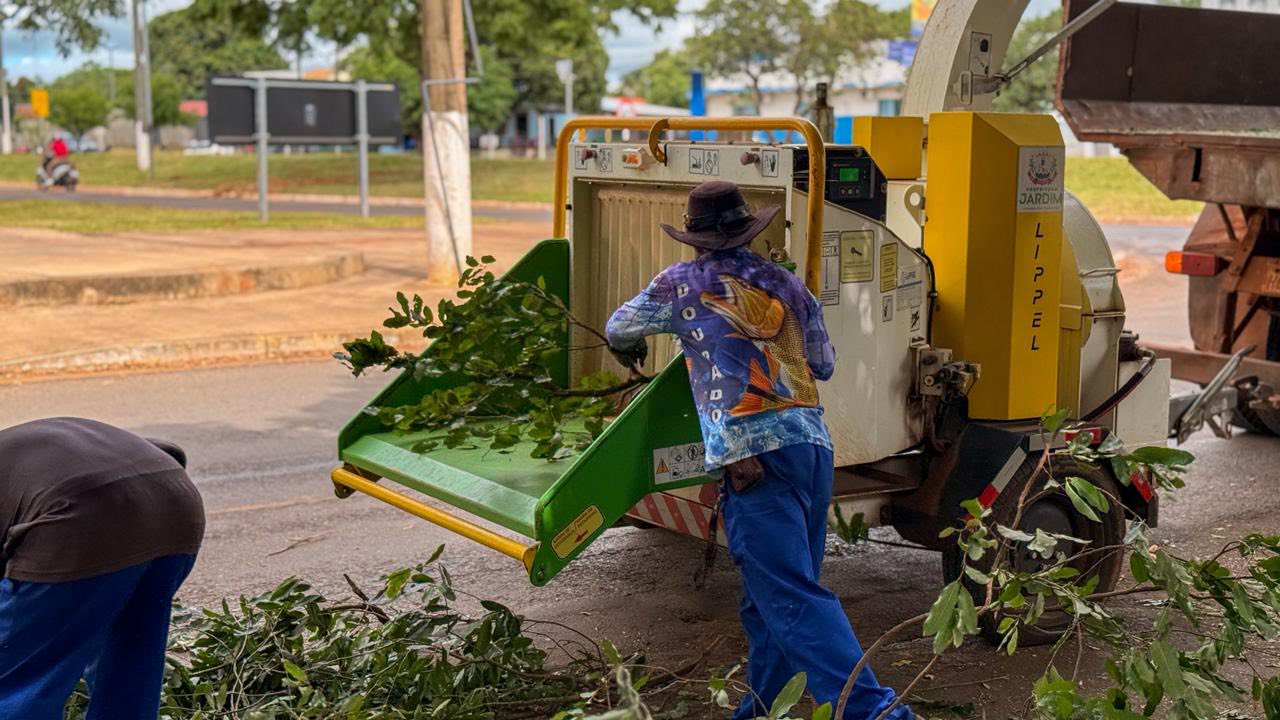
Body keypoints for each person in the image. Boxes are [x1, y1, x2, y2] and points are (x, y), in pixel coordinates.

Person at [605, 181, 911, 720]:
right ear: (748, 229)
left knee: (790, 596)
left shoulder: (681, 284)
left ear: (695, 237)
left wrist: (644, 346)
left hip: (752, 459)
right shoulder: (788, 284)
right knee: (769, 598)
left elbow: (620, 327)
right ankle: (764, 708)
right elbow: (823, 365)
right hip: (810, 451)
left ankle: (876, 713)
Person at [0, 417, 206, 720]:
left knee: (17, 677)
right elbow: (169, 451)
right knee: (128, 664)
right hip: (176, 505)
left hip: (74, 517)